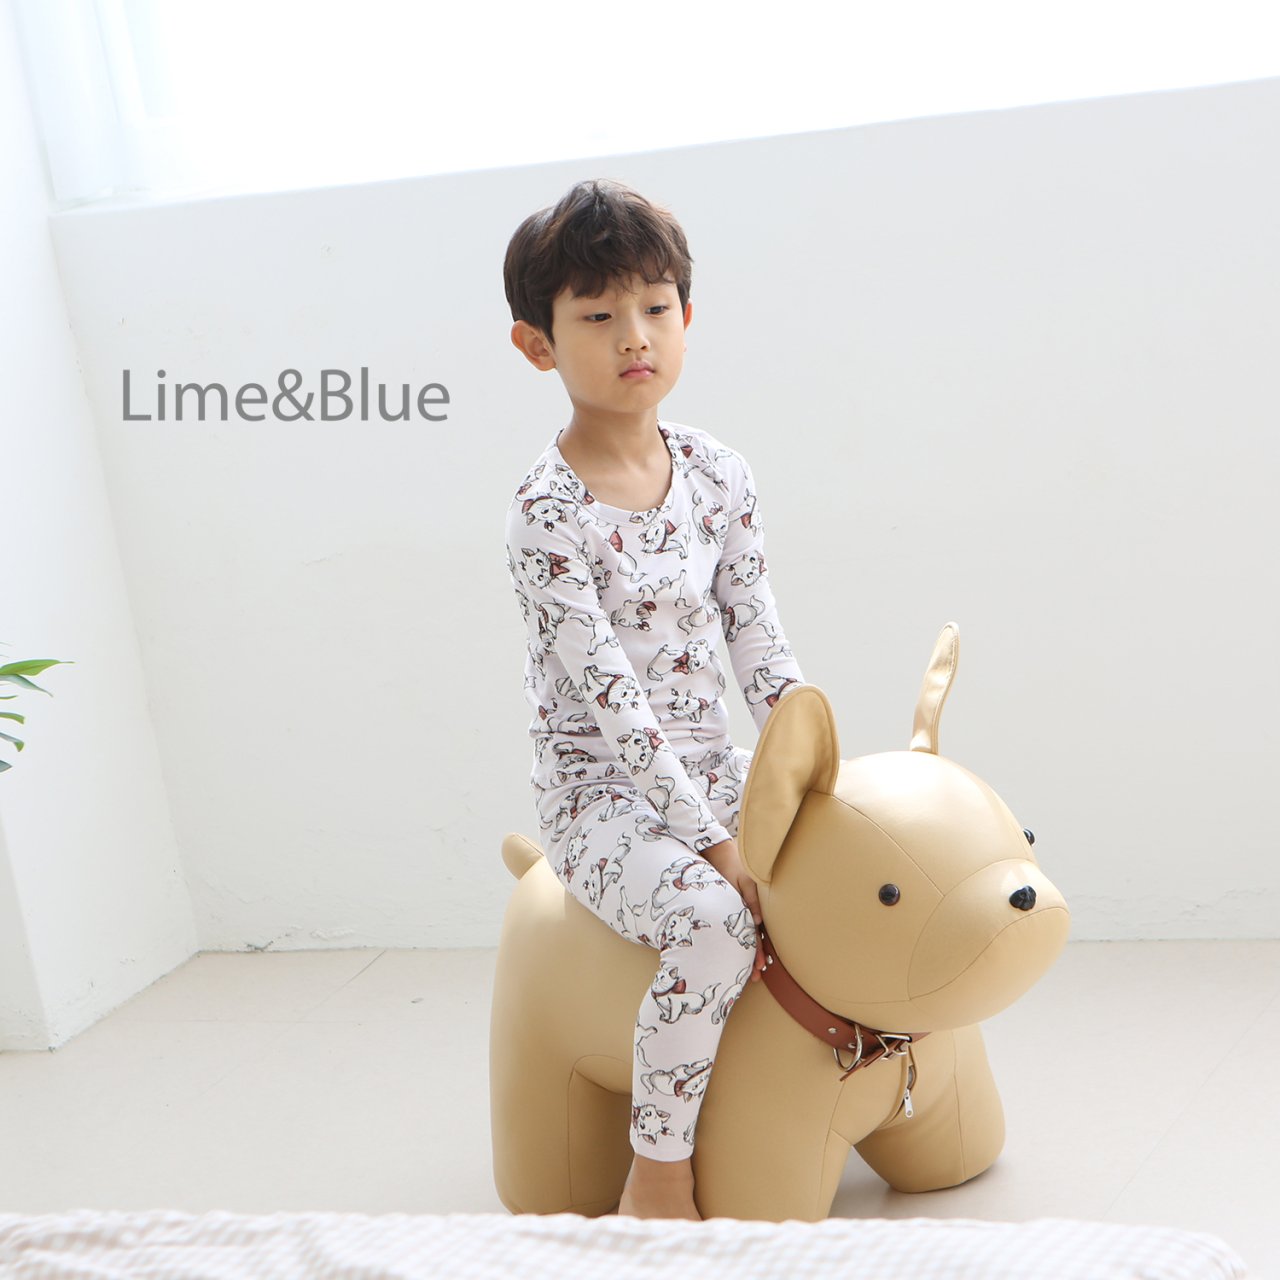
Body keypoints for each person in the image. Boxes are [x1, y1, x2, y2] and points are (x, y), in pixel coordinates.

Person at [501, 178, 806, 1220]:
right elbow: (617, 708)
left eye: (655, 306)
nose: (634, 334)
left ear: (685, 315)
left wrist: (812, 771)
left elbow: (759, 642)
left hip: (713, 769)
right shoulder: (547, 513)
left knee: (844, 870)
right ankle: (658, 1169)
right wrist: (718, 846)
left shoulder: (718, 472)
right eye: (596, 316)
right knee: (715, 923)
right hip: (601, 794)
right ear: (536, 345)